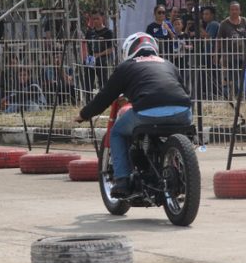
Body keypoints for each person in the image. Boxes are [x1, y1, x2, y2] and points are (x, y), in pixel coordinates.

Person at [75, 32, 192, 197]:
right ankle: (177, 165)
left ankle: (122, 180)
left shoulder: (126, 67)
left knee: (117, 132)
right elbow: (184, 91)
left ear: (129, 50)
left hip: (146, 112)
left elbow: (104, 97)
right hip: (183, 111)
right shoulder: (168, 64)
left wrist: (84, 114)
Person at [215, 1, 246, 98]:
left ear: (240, 11)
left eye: (236, 9)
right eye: (232, 9)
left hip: (243, 55)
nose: (234, 11)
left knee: (241, 76)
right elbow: (218, 40)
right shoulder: (224, 23)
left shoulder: (244, 21)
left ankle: (237, 95)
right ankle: (237, 96)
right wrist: (216, 54)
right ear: (229, 11)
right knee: (232, 77)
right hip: (229, 56)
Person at [83, 10, 114, 101]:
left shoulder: (108, 32)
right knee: (88, 80)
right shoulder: (90, 32)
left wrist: (99, 54)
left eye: (97, 18)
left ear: (102, 18)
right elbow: (86, 45)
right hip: (90, 58)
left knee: (103, 81)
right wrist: (86, 56)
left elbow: (110, 49)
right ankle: (88, 100)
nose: (95, 21)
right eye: (94, 19)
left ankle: (103, 100)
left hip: (102, 59)